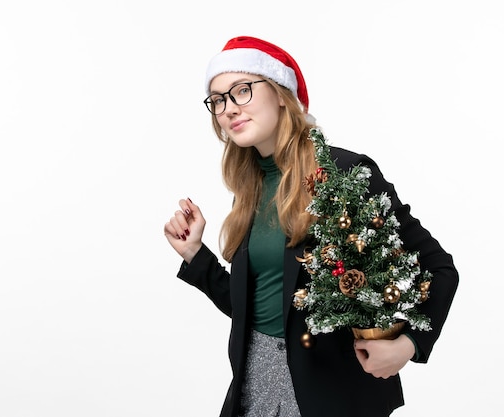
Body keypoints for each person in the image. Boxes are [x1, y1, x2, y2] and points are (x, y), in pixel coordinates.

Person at [163, 36, 459, 417]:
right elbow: (259, 311)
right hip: (255, 389)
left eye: (241, 91)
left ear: (281, 94)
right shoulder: (249, 190)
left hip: (331, 395)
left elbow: (440, 268)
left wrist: (409, 345)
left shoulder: (345, 174)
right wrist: (194, 256)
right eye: (218, 100)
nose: (228, 109)